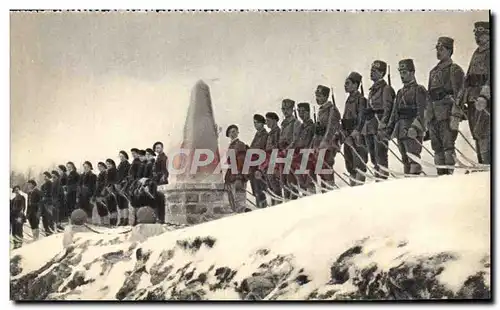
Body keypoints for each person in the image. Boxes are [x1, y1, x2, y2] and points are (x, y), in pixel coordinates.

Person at [427, 37, 465, 175]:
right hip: (434, 115)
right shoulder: (433, 72)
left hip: (447, 114)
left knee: (448, 146)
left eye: (441, 49)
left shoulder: (455, 70)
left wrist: (456, 114)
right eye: (437, 48)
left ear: (449, 50)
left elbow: (460, 93)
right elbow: (429, 95)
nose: (438, 51)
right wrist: (428, 116)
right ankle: (441, 175)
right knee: (436, 147)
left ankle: (450, 175)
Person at [387, 59, 429, 175]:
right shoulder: (400, 92)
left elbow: (422, 111)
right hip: (401, 129)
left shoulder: (419, 89)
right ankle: (408, 183)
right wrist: (388, 129)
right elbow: (395, 113)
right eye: (400, 72)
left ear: (412, 72)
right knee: (405, 160)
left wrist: (415, 128)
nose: (401, 75)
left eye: (404, 72)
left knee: (414, 158)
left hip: (412, 129)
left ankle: (415, 183)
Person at [460, 21, 491, 164]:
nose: (478, 36)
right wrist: (461, 98)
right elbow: (468, 77)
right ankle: (482, 163)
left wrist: (485, 96)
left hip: (486, 102)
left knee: (484, 132)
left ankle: (488, 164)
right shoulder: (476, 53)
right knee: (476, 133)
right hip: (472, 99)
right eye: (476, 33)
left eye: (481, 33)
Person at [364, 60, 396, 179]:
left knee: (380, 154)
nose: (371, 73)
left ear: (382, 73)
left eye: (375, 71)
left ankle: (382, 177)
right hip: (371, 126)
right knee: (373, 156)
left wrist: (384, 125)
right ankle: (378, 175)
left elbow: (388, 109)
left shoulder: (386, 88)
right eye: (371, 70)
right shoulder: (372, 90)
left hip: (380, 125)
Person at [311, 85, 342, 190]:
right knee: (321, 167)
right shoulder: (322, 110)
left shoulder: (331, 109)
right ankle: (325, 189)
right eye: (316, 95)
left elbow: (331, 128)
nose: (317, 98)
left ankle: (330, 188)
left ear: (325, 96)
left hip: (329, 143)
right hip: (321, 143)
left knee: (327, 166)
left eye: (319, 96)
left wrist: (325, 142)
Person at [342, 72, 368, 185]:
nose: (345, 85)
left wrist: (355, 132)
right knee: (350, 165)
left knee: (359, 164)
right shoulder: (348, 101)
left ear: (355, 84)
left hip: (357, 136)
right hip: (348, 136)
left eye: (348, 83)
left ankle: (359, 189)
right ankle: (353, 189)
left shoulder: (361, 99)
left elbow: (362, 118)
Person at [279, 99, 301, 200]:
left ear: (292, 109)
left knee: (291, 181)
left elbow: (295, 140)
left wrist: (287, 150)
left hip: (291, 155)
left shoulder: (295, 123)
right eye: (283, 109)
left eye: (287, 109)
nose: (285, 111)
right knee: (283, 182)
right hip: (283, 155)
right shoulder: (283, 124)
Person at [292, 102, 316, 193]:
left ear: (308, 112)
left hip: (308, 155)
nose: (301, 114)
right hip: (300, 155)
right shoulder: (301, 127)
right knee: (300, 177)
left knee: (309, 180)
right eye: (299, 112)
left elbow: (313, 141)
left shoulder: (312, 126)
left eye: (303, 111)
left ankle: (312, 195)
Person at [224, 124, 249, 212]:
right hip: (232, 176)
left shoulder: (240, 145)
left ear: (238, 132)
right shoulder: (231, 146)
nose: (232, 134)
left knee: (240, 202)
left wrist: (239, 176)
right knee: (234, 202)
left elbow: (241, 162)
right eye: (230, 132)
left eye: (234, 131)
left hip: (239, 176)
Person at [249, 114, 269, 208]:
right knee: (256, 190)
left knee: (260, 190)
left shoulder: (265, 135)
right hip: (253, 166)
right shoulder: (257, 135)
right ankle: (259, 207)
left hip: (260, 166)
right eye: (254, 123)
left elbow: (262, 150)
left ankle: (263, 209)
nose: (255, 125)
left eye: (257, 123)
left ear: (262, 123)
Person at [262, 112, 282, 205]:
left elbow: (278, 149)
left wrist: (276, 166)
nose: (267, 123)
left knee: (276, 188)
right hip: (269, 162)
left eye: (268, 121)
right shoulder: (270, 133)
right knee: (271, 187)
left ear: (274, 121)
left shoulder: (278, 132)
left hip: (275, 163)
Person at [40, 171, 55, 235]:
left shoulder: (50, 183)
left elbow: (50, 193)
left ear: (48, 177)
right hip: (44, 203)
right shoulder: (44, 185)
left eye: (45, 176)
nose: (44, 178)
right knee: (45, 217)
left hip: (48, 202)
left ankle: (50, 230)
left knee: (49, 217)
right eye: (44, 176)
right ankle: (47, 230)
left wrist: (45, 197)